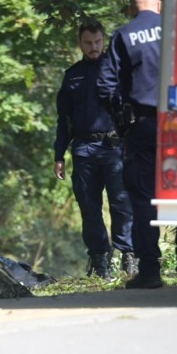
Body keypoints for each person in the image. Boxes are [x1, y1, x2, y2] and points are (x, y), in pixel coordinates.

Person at [97, 0, 177, 289]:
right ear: (159, 5)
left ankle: (150, 270)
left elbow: (106, 86)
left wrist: (121, 120)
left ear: (133, 9)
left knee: (142, 195)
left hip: (143, 123)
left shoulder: (124, 35)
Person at [53, 19, 136, 280]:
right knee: (89, 207)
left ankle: (128, 256)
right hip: (83, 148)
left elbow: (131, 112)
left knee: (121, 204)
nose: (93, 47)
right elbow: (63, 119)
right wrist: (58, 155)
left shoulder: (117, 73)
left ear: (104, 41)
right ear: (80, 43)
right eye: (88, 43)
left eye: (98, 42)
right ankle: (100, 260)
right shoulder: (73, 75)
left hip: (113, 147)